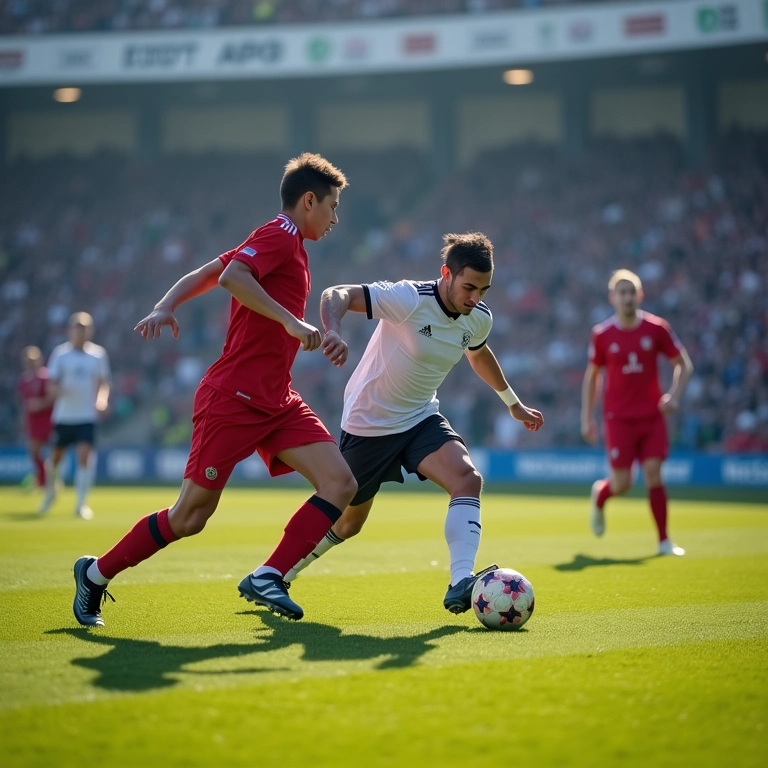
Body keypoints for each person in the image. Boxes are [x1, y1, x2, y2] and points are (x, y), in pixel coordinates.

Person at [72, 153, 358, 627]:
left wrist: (166, 303)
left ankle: (269, 575)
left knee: (341, 483)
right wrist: (290, 321)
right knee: (189, 518)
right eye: (332, 206)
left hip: (277, 399)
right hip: (234, 398)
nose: (335, 218)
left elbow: (212, 271)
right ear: (309, 200)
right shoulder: (280, 233)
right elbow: (230, 277)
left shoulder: (286, 243)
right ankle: (95, 574)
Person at [285, 232, 544, 614]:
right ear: (446, 274)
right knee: (349, 523)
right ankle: (281, 572)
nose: (475, 298)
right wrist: (334, 330)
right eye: (469, 287)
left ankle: (460, 581)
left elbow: (478, 353)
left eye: (483, 290)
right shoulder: (409, 298)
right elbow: (336, 293)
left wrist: (513, 403)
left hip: (420, 416)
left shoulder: (479, 318)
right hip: (370, 423)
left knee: (467, 479)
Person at [580, 269, 694, 556]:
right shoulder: (602, 334)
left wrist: (674, 396)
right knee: (622, 484)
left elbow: (684, 364)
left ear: (640, 295)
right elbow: (592, 376)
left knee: (654, 473)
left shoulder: (657, 328)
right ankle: (601, 495)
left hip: (652, 416)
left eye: (632, 292)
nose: (628, 297)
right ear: (613, 298)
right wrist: (587, 417)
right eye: (622, 292)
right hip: (618, 418)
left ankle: (664, 541)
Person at [40, 313, 111, 519]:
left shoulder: (98, 355)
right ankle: (51, 493)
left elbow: (103, 383)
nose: (81, 332)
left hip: (86, 416)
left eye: (85, 328)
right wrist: (57, 390)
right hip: (64, 416)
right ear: (70, 330)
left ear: (90, 330)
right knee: (55, 459)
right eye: (78, 327)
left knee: (84, 457)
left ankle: (81, 504)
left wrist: (102, 400)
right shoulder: (60, 354)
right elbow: (51, 384)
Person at [17, 346, 54, 505]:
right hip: (33, 420)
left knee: (50, 452)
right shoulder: (24, 381)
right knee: (34, 452)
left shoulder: (46, 377)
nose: (30, 363)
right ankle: (44, 480)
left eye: (33, 360)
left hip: (47, 419)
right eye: (27, 360)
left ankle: (47, 481)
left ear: (39, 360)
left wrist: (40, 404)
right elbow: (24, 403)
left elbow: (52, 397)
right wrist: (24, 419)